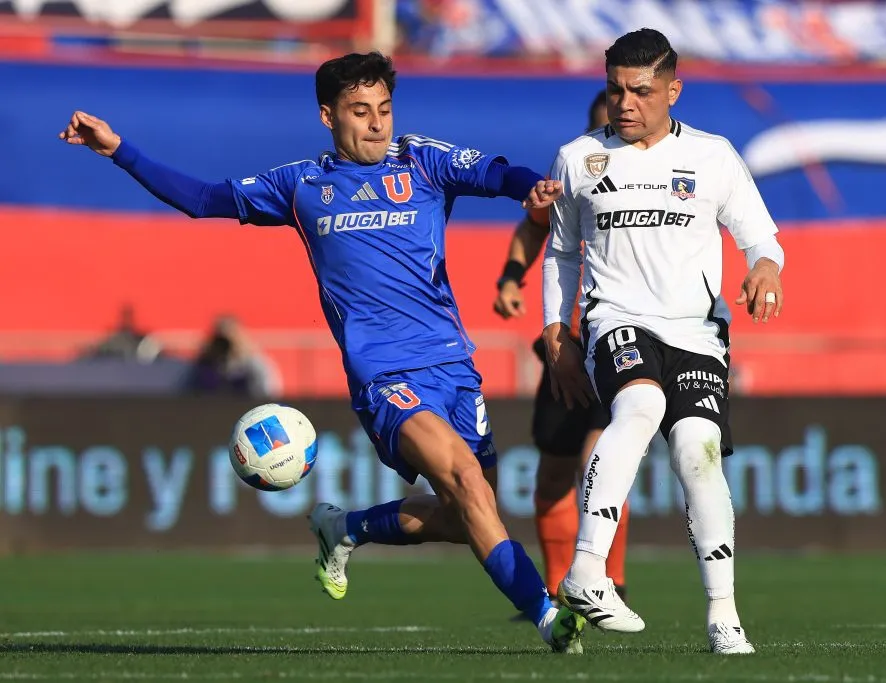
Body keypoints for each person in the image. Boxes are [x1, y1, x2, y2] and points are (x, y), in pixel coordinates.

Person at [59, 51, 585, 654]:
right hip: (384, 375)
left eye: (384, 109)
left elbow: (497, 173)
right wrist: (117, 149)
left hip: (453, 366)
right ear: (327, 115)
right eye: (360, 112)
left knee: (467, 512)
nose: (377, 124)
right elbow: (203, 199)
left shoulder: (420, 160)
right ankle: (550, 616)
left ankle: (346, 527)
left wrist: (532, 189)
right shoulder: (301, 185)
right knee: (467, 482)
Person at [541, 29, 785, 654]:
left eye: (641, 91)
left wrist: (763, 269)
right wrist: (555, 331)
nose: (625, 103)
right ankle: (588, 569)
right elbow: (562, 253)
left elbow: (760, 236)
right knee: (641, 406)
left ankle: (723, 616)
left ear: (672, 90)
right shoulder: (579, 158)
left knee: (697, 453)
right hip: (615, 319)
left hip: (697, 332)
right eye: (616, 89)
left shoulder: (713, 157)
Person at [493, 89, 630, 605]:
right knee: (553, 472)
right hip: (563, 346)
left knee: (601, 459)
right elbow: (533, 230)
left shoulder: (660, 178)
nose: (618, 124)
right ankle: (555, 588)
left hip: (619, 338)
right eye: (605, 123)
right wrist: (510, 278)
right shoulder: (573, 175)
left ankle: (610, 581)